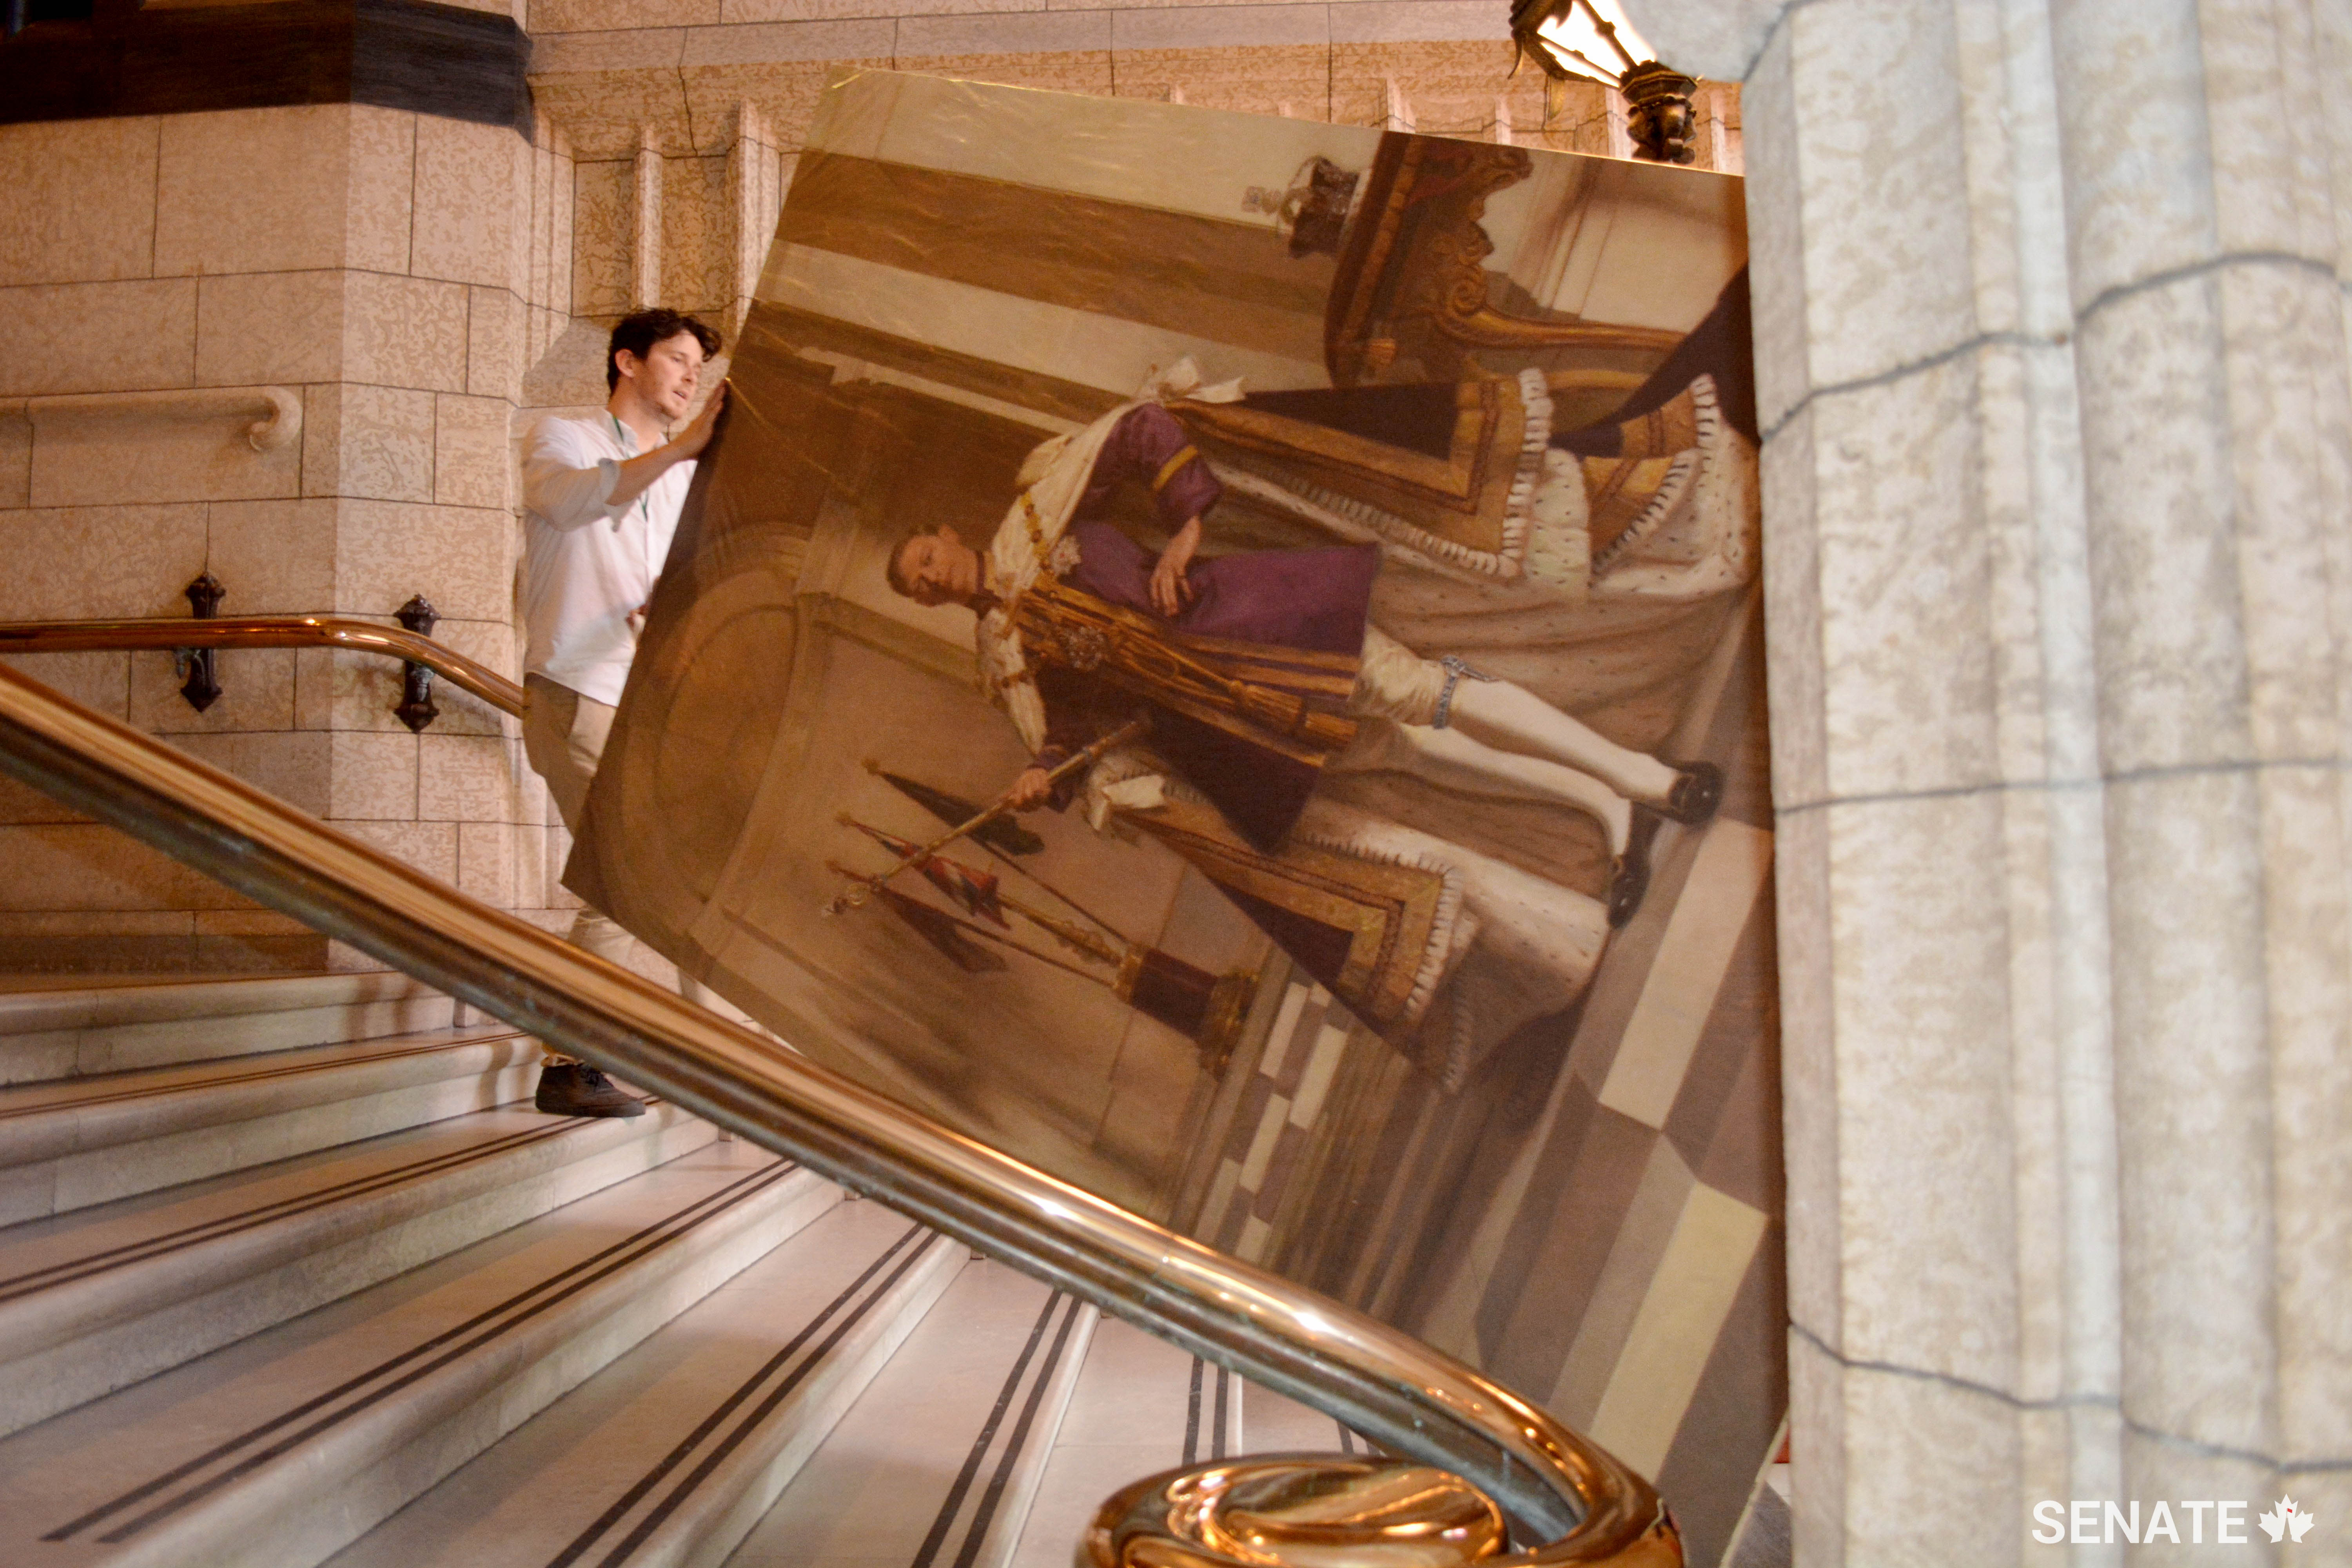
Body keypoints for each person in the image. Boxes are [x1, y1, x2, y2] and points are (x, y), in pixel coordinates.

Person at [519, 308, 726, 1117]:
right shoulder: (562, 437)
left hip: (642, 702)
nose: (689, 378)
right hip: (576, 691)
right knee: (633, 875)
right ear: (626, 361)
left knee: (675, 877)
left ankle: (720, 1069)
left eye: (697, 368)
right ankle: (569, 1057)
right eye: (677, 360)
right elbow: (574, 505)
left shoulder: (677, 478)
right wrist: (682, 447)